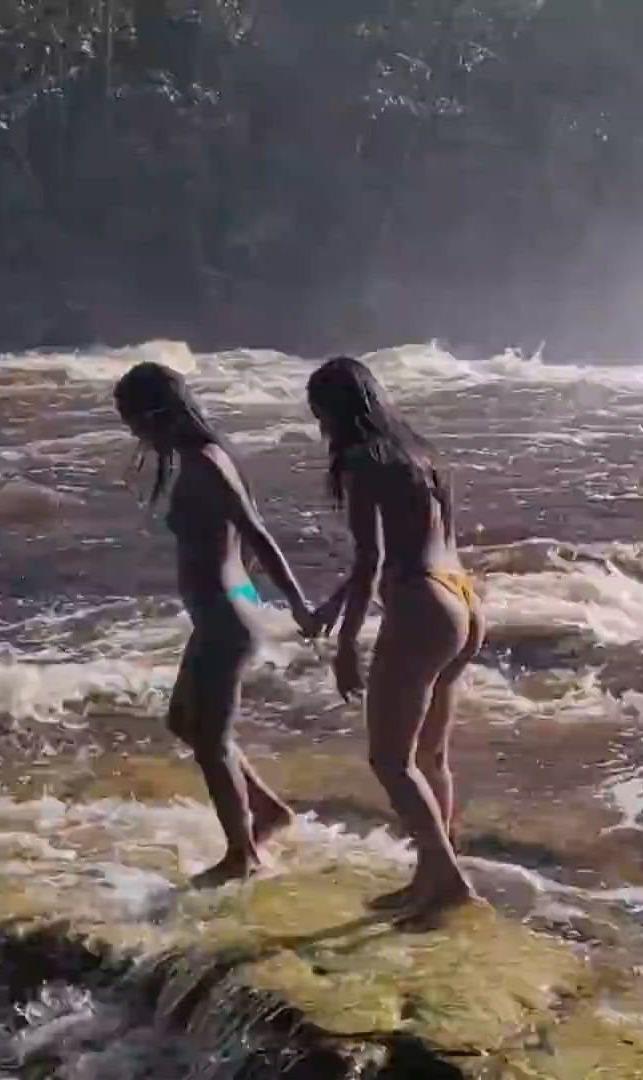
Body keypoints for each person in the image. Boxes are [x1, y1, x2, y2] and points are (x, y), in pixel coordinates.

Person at [114, 362, 315, 885]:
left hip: (227, 618)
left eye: (133, 422)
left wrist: (296, 604)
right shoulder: (201, 458)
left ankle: (243, 854)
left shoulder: (206, 461)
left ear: (155, 414)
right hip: (224, 612)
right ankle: (268, 812)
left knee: (212, 740)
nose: (134, 435)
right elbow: (236, 542)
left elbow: (257, 530)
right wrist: (240, 595)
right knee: (185, 722)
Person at [306, 356, 485, 925]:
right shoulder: (421, 453)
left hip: (419, 606)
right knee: (431, 755)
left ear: (336, 410)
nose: (319, 429)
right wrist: (334, 605)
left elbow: (370, 563)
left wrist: (345, 647)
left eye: (319, 415)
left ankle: (450, 881)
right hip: (461, 598)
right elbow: (416, 544)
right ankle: (432, 876)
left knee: (389, 759)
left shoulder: (362, 459)